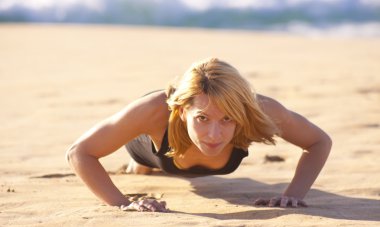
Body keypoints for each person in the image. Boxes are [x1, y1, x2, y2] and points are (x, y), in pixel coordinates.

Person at [66, 58, 332, 212]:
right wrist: (123, 204)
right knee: (146, 163)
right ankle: (143, 164)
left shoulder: (259, 110)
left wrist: (294, 194)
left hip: (178, 143)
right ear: (183, 111)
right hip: (149, 145)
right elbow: (79, 153)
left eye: (228, 119)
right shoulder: (154, 111)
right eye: (202, 118)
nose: (214, 134)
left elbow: (319, 141)